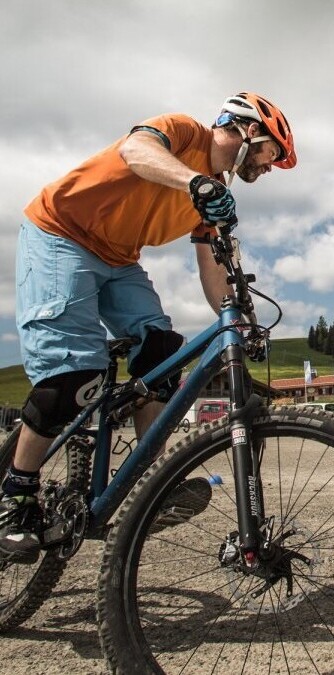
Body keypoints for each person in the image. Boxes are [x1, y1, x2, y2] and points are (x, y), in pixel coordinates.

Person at [0, 92, 296, 563]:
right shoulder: (182, 131)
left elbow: (212, 267)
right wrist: (196, 181)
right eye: (270, 153)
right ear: (247, 131)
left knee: (162, 351)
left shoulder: (216, 194)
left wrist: (237, 318)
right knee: (72, 378)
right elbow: (135, 152)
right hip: (60, 234)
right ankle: (15, 496)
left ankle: (148, 483)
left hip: (118, 259)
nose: (269, 166)